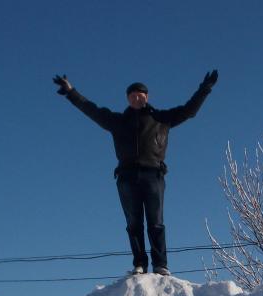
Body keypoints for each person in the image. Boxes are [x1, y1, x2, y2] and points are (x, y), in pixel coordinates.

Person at [53, 70, 218, 276]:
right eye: (132, 95)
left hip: (153, 175)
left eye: (140, 95)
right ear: (128, 99)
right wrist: (71, 92)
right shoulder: (117, 121)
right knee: (133, 223)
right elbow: (91, 110)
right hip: (127, 177)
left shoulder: (162, 119)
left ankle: (161, 264)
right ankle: (139, 264)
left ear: (146, 97)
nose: (136, 98)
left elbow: (189, 111)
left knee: (156, 222)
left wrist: (205, 89)